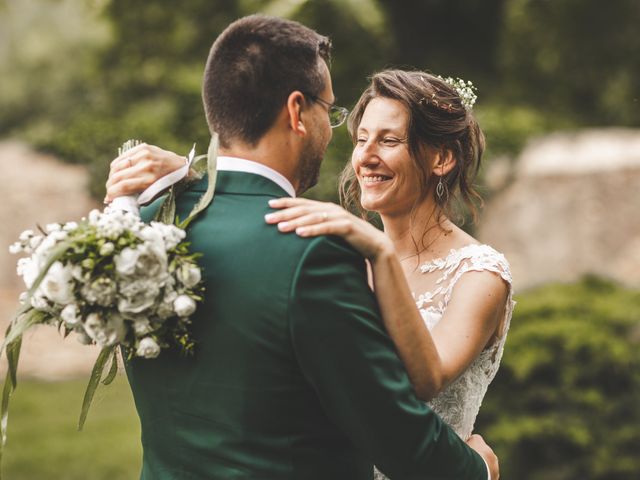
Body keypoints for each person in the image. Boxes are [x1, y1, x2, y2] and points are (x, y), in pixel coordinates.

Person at [106, 14, 498, 480]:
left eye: (388, 139)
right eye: (331, 114)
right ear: (297, 112)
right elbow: (394, 432)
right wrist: (478, 472)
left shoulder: (145, 230)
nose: (342, 138)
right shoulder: (314, 253)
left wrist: (192, 182)